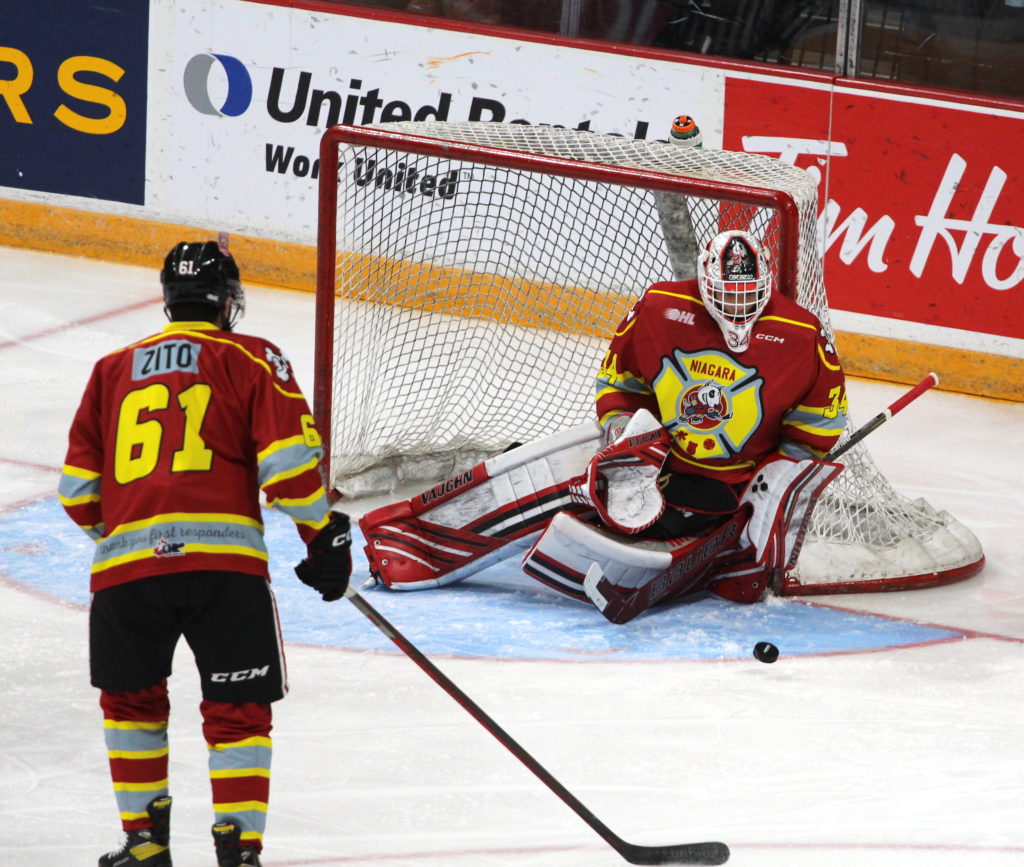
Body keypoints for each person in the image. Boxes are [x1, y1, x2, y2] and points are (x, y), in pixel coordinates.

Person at [357, 228, 848, 620]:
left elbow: (816, 432)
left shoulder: (802, 334)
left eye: (750, 296)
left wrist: (763, 490)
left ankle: (680, 537)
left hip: (726, 487)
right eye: (727, 295)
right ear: (703, 283)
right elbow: (620, 382)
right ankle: (412, 538)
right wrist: (623, 436)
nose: (738, 309)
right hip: (656, 460)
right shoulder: (660, 307)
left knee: (707, 549)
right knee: (564, 477)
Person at [58, 241, 352, 867]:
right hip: (224, 571)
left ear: (169, 298)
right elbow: (288, 464)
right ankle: (239, 853)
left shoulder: (111, 369)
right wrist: (319, 536)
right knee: (238, 712)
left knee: (131, 706)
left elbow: (77, 492)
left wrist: (131, 538)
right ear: (229, 301)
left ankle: (144, 846)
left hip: (125, 577)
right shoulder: (252, 357)